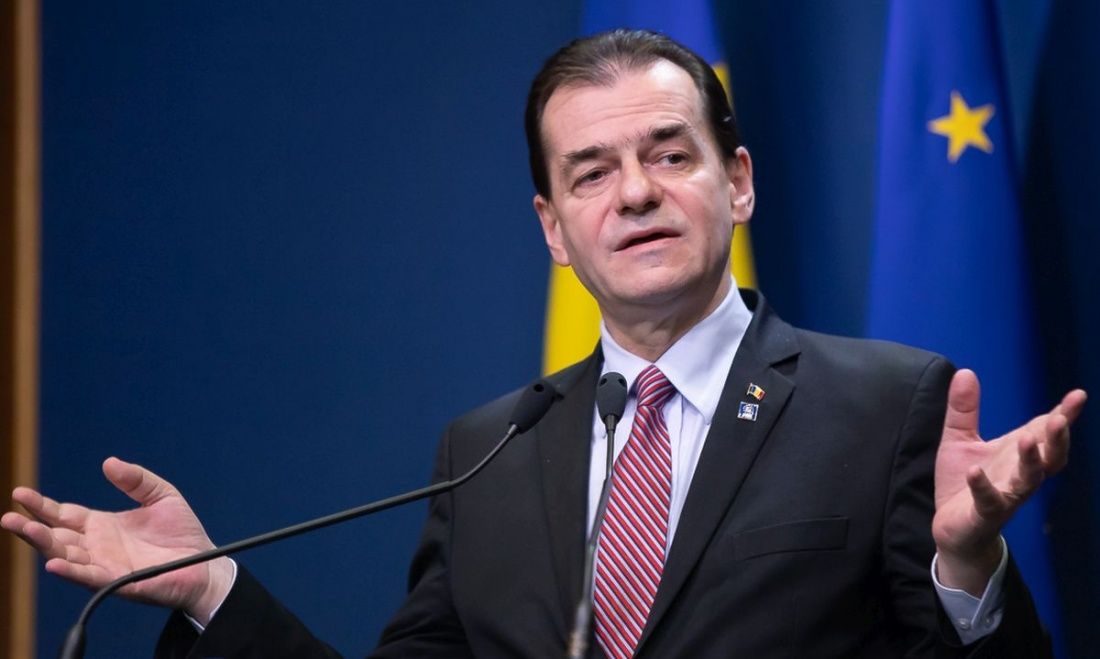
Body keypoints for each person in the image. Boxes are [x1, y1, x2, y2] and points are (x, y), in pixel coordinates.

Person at [3, 30, 1087, 658]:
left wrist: (966, 566)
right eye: (591, 173)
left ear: (738, 182)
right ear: (553, 230)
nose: (634, 193)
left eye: (669, 154)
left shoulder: (885, 404)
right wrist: (212, 587)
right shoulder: (489, 452)